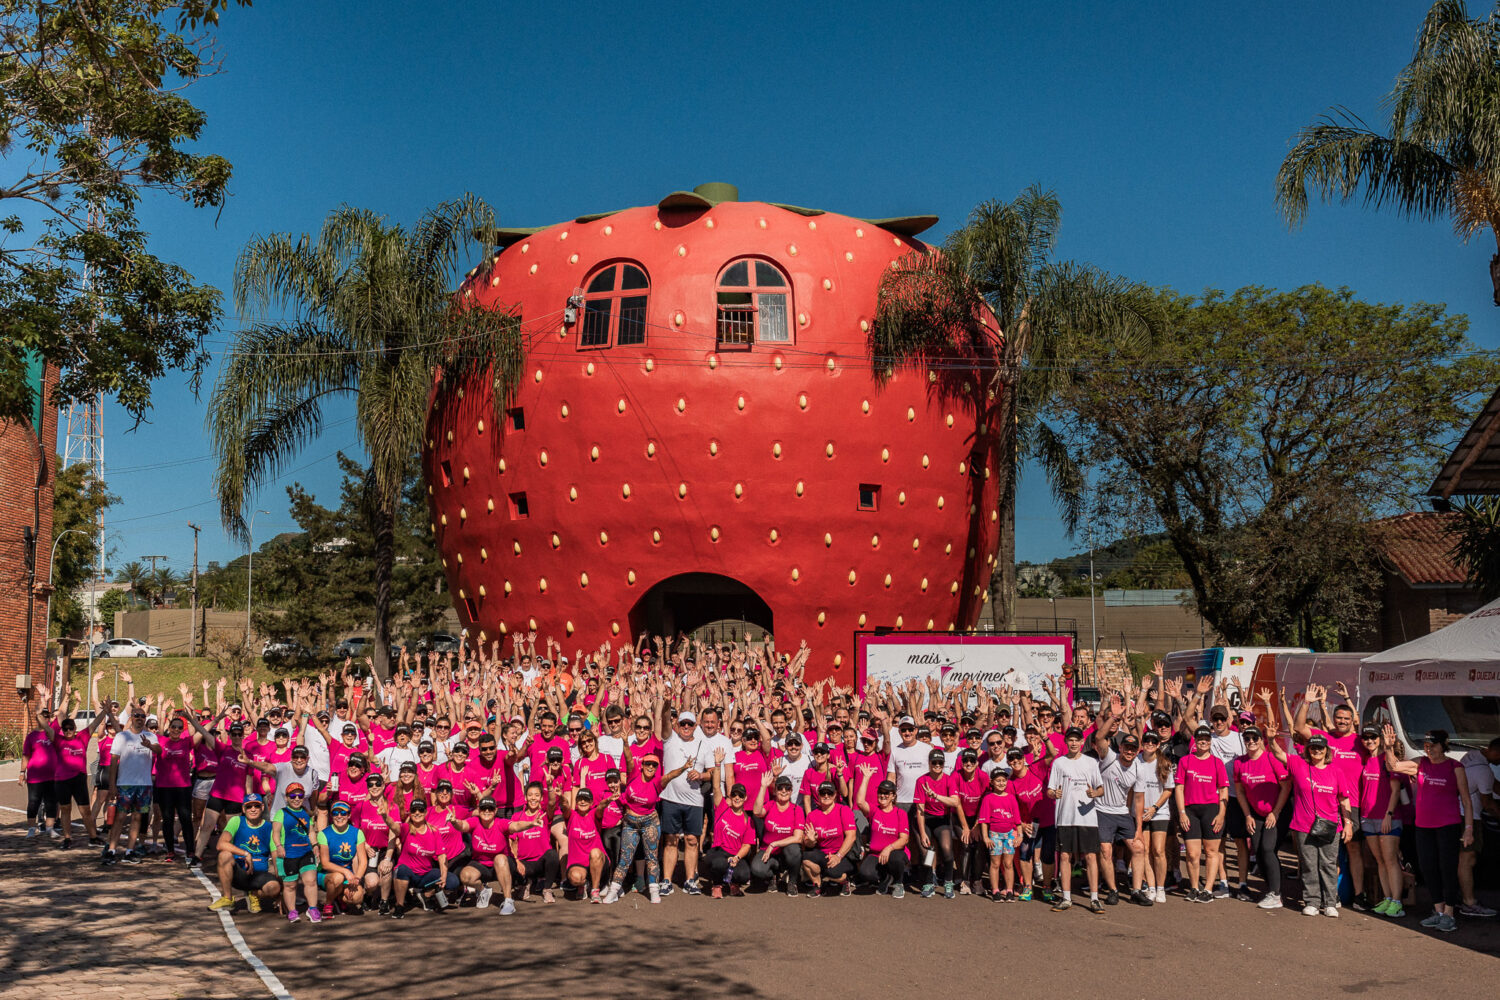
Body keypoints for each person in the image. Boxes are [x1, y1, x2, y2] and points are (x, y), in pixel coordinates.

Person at [1383, 727, 1474, 933]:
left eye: (1433, 746)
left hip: (1448, 826)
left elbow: (1467, 802)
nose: (1429, 750)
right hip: (1423, 827)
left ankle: (1449, 913)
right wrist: (1388, 747)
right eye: (1426, 746)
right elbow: (1393, 765)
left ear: (1443, 746)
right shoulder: (1420, 764)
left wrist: (1468, 829)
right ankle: (1438, 911)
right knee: (1428, 868)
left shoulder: (1455, 767)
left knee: (1447, 869)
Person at [1268, 731, 1354, 918]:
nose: (1316, 751)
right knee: (1309, 865)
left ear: (1326, 751)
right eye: (1313, 747)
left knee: (1328, 864)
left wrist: (1348, 823)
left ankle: (1330, 902)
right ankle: (1312, 901)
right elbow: (1277, 753)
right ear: (1308, 750)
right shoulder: (1299, 764)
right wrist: (1270, 739)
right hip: (1303, 825)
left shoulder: (1336, 771)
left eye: (1320, 748)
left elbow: (1344, 800)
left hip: (1330, 826)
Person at [1047, 726, 1105, 912]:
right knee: (1065, 856)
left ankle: (1094, 898)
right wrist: (1053, 793)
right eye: (1070, 740)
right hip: (1065, 818)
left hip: (1087, 819)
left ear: (1082, 742)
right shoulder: (1059, 763)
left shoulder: (1091, 762)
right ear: (1066, 742)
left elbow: (1101, 789)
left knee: (1090, 857)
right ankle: (1066, 897)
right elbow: (1050, 790)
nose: (1073, 743)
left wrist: (1093, 793)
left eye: (1077, 740)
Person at [1232, 720, 1289, 909]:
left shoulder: (1271, 758)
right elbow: (1240, 792)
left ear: (1261, 740)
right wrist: (1247, 815)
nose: (1250, 741)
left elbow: (1286, 786)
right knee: (1258, 850)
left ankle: (1276, 894)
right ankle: (1272, 888)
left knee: (1267, 849)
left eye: (1254, 737)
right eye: (1247, 738)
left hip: (1277, 811)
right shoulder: (1240, 763)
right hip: (1255, 813)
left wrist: (1275, 812)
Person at [603, 752, 670, 904]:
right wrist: (626, 741)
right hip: (631, 822)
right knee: (625, 858)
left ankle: (653, 890)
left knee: (651, 857)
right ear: (642, 765)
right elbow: (628, 759)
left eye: (654, 765)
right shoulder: (633, 775)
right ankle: (614, 890)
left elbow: (670, 776)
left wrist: (684, 767)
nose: (651, 767)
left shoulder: (657, 782)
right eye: (648, 763)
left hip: (650, 822)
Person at [1173, 725, 1229, 903]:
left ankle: (1208, 889)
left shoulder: (1217, 762)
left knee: (1211, 852)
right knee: (1192, 853)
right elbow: (1179, 788)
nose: (1203, 741)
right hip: (1190, 810)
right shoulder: (1185, 761)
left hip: (1211, 810)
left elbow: (1223, 791)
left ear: (1210, 742)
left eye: (1206, 739)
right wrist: (1182, 813)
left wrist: (1221, 814)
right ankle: (1194, 887)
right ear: (1195, 742)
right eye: (1200, 739)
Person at [1357, 724, 1406, 917]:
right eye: (1366, 738)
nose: (1369, 741)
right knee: (1380, 861)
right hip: (1368, 818)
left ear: (1380, 738)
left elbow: (1395, 791)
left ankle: (1397, 902)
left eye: (1373, 737)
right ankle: (1387, 899)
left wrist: (1389, 814)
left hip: (1388, 818)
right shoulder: (1366, 760)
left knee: (1390, 860)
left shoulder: (1388, 759)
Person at [104, 706, 162, 864]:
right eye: (136, 715)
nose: (140, 718)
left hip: (144, 784)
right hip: (125, 784)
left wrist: (149, 745)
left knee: (137, 818)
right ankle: (111, 849)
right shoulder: (122, 736)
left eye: (142, 716)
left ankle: (129, 851)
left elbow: (159, 750)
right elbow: (114, 761)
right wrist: (112, 785)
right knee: (120, 817)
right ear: (131, 717)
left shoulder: (150, 736)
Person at [208, 792, 280, 913]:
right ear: (243, 808)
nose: (253, 809)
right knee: (224, 855)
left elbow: (275, 855)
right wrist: (246, 854)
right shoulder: (237, 821)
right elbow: (221, 844)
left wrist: (280, 890)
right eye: (249, 806)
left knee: (274, 888)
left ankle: (254, 894)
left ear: (262, 807)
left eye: (256, 806)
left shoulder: (269, 828)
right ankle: (227, 899)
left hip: (259, 875)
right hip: (239, 872)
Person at [1456, 737, 1500, 918]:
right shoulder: (1483, 770)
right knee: (1467, 859)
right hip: (1468, 817)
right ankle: (1469, 902)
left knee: (1462, 859)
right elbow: (1488, 803)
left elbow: (1493, 785)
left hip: (1456, 813)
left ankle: (1460, 897)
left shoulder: (1471, 756)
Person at [51, 708, 107, 848]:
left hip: (78, 779)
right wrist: (40, 713)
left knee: (85, 810)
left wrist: (105, 710)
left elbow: (95, 722)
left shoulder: (82, 736)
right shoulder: (58, 740)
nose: (68, 731)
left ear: (75, 728)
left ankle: (93, 837)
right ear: (62, 730)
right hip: (62, 780)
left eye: (71, 728)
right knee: (65, 809)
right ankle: (67, 838)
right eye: (65, 729)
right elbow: (46, 727)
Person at [1129, 731, 1174, 904]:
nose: (1149, 743)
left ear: (1157, 744)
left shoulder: (1164, 763)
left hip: (1159, 812)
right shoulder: (1136, 762)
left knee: (1159, 850)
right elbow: (1132, 789)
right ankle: (1151, 886)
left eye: (1153, 741)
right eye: (1146, 740)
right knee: (1144, 850)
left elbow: (1168, 790)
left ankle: (1161, 888)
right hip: (1140, 812)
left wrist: (1155, 807)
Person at [913, 747, 961, 898]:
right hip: (925, 819)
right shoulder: (921, 780)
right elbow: (920, 810)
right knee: (927, 851)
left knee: (947, 850)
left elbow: (955, 802)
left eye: (940, 762)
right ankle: (928, 882)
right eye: (934, 762)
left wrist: (936, 795)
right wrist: (922, 833)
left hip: (942, 819)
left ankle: (948, 882)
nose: (937, 765)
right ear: (929, 763)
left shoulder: (949, 779)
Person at [271, 781, 321, 924]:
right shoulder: (281, 813)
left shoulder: (305, 812)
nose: (297, 798)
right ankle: (292, 911)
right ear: (286, 798)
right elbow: (275, 832)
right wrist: (278, 845)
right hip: (289, 854)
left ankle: (312, 909)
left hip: (305, 851)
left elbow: (311, 831)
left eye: (300, 795)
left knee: (311, 881)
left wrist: (315, 845)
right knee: (290, 885)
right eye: (293, 795)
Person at [750, 771, 807, 895]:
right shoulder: (771, 805)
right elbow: (756, 811)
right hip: (768, 851)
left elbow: (798, 838)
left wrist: (774, 844)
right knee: (757, 870)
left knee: (794, 850)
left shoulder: (797, 810)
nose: (784, 790)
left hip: (786, 851)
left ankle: (792, 881)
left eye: (787, 788)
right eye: (780, 788)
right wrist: (763, 787)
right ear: (775, 791)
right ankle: (773, 876)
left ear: (791, 791)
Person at [700, 782, 756, 897]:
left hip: (735, 854)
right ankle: (717, 885)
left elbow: (747, 845)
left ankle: (734, 883)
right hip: (719, 851)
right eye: (734, 795)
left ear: (745, 798)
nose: (737, 798)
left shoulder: (748, 820)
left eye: (740, 795)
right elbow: (716, 787)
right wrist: (717, 765)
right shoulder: (723, 809)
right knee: (719, 863)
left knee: (744, 874)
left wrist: (737, 857)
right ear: (730, 796)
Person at [802, 781, 857, 895]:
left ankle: (844, 882)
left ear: (835, 795)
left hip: (842, 853)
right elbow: (807, 843)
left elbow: (851, 836)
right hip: (823, 854)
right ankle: (817, 885)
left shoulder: (843, 810)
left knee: (833, 874)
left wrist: (838, 856)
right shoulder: (812, 815)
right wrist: (811, 841)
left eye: (829, 793)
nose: (826, 796)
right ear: (818, 795)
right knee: (805, 858)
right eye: (823, 793)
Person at [316, 800, 368, 917]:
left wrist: (356, 879)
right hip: (326, 875)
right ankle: (328, 905)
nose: (339, 816)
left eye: (343, 813)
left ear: (349, 815)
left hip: (348, 876)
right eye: (335, 813)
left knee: (357, 897)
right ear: (331, 815)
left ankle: (339, 898)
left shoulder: (357, 833)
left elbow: (363, 861)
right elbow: (325, 863)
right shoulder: (324, 834)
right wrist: (346, 872)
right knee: (337, 877)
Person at [975, 768, 1021, 901]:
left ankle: (1009, 890)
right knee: (995, 863)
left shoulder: (1011, 798)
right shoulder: (988, 798)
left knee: (1008, 864)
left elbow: (1017, 821)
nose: (1001, 783)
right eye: (998, 780)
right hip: (994, 835)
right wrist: (985, 837)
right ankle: (995, 890)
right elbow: (984, 821)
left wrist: (1020, 835)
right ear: (992, 782)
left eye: (1003, 780)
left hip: (1009, 835)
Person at [21, 701, 60, 839]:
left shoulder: (53, 733)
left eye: (47, 716)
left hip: (52, 776)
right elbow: (26, 755)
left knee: (51, 803)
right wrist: (22, 772)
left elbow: (62, 714)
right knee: (33, 802)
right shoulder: (31, 736)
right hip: (35, 776)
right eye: (42, 715)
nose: (45, 718)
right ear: (38, 718)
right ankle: (32, 828)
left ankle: (50, 828)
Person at [561, 787, 608, 902]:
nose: (582, 802)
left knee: (595, 852)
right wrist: (560, 796)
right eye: (580, 799)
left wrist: (609, 800)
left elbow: (601, 807)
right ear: (576, 802)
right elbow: (565, 806)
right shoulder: (571, 816)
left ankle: (595, 890)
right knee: (575, 878)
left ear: (591, 803)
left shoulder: (594, 814)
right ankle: (584, 883)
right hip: (578, 864)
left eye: (586, 800)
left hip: (598, 860)